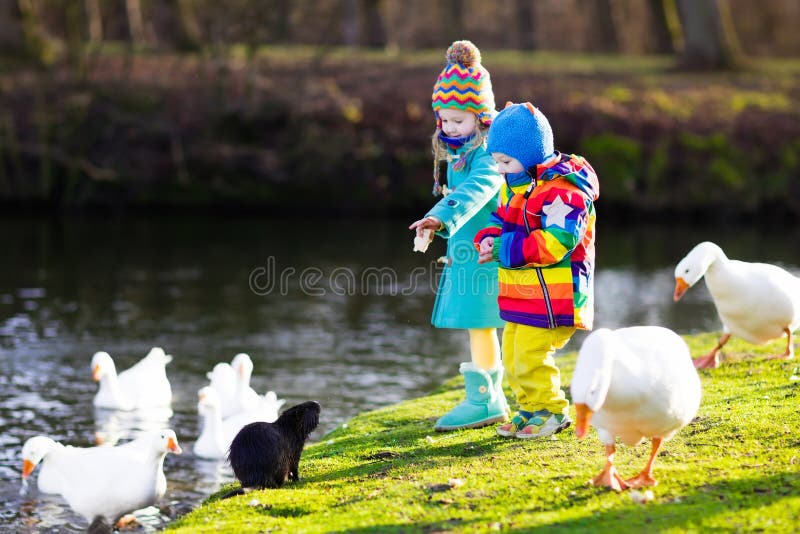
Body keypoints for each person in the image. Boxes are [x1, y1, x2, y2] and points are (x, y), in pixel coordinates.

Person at [474, 101, 599, 439]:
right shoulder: (516, 183)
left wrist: (505, 249)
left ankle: (552, 411)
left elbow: (557, 241)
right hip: (524, 292)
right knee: (512, 353)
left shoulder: (564, 191)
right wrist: (487, 238)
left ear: (531, 155)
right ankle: (528, 409)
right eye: (497, 161)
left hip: (556, 296)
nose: (500, 169)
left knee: (531, 352)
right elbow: (501, 218)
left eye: (505, 161)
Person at [409, 40, 508, 432]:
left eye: (458, 121)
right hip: (468, 250)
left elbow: (477, 189)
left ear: (481, 117)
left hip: (485, 252)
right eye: (444, 121)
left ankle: (485, 399)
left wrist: (438, 217)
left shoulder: (486, 156)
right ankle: (488, 396)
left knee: (482, 321)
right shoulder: (461, 150)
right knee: (479, 325)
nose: (449, 128)